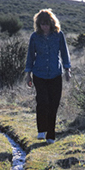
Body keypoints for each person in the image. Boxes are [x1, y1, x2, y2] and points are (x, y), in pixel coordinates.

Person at [24, 9, 72, 144]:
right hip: (39, 74)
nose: (44, 26)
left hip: (55, 74)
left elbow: (64, 52)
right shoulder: (34, 37)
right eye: (42, 24)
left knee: (53, 105)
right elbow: (30, 56)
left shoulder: (58, 35)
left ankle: (51, 135)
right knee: (43, 102)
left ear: (52, 23)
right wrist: (28, 75)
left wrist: (67, 70)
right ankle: (41, 130)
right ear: (38, 24)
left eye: (47, 24)